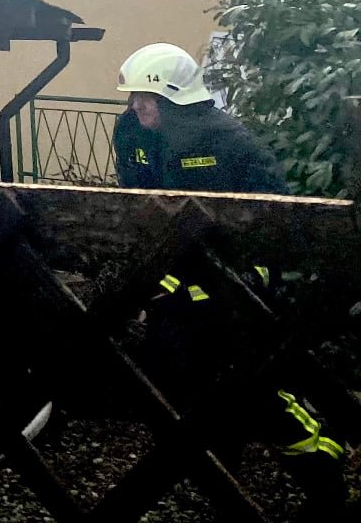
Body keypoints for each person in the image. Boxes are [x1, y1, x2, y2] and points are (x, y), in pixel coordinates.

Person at [112, 42, 348, 516]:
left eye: (146, 98)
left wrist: (251, 274)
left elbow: (275, 218)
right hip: (175, 288)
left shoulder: (228, 141)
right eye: (133, 96)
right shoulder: (132, 134)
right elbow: (139, 202)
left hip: (235, 290)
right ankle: (221, 473)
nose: (137, 106)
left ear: (175, 96)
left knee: (252, 387)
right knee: (177, 383)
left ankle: (321, 465)